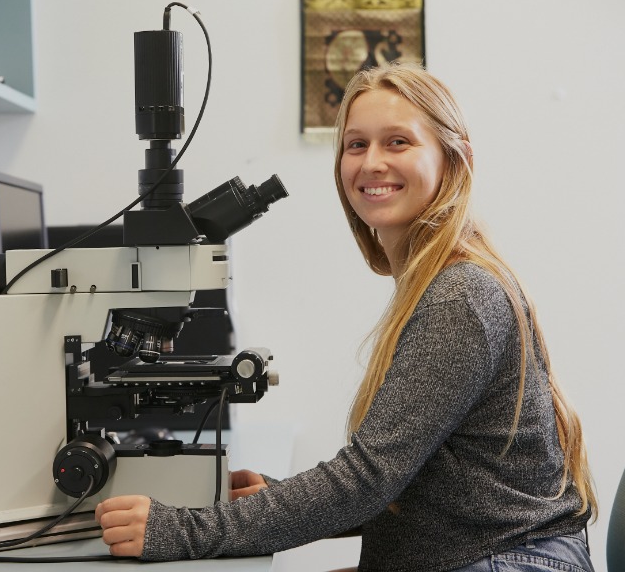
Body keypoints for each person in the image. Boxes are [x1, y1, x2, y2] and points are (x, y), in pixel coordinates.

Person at [95, 63, 597, 571]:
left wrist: (180, 530)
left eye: (398, 142)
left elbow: (368, 478)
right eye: (356, 145)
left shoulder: (459, 297)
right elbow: (408, 480)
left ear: (455, 157)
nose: (372, 162)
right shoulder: (439, 283)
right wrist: (281, 498)